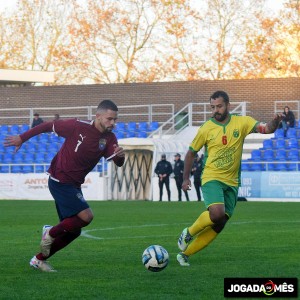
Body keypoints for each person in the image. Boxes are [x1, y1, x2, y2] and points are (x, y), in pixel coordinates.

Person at [4, 99, 125, 272]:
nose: (112, 123)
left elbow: (119, 163)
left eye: (115, 120)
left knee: (74, 230)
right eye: (109, 119)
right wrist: (22, 138)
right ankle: (51, 232)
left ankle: (38, 260)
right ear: (98, 116)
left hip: (74, 185)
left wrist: (120, 155)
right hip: (60, 179)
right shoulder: (76, 126)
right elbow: (47, 126)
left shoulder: (109, 138)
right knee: (86, 216)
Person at [176, 90, 283, 267]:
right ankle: (188, 232)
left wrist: (275, 122)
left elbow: (266, 129)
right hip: (212, 177)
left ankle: (185, 255)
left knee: (220, 223)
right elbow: (190, 154)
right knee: (217, 213)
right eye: (212, 107)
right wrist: (185, 179)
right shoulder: (206, 128)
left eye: (219, 106)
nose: (215, 110)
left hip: (232, 182)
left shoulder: (242, 122)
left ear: (228, 105)